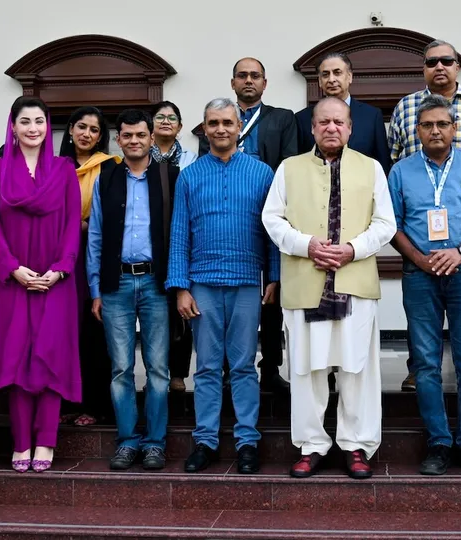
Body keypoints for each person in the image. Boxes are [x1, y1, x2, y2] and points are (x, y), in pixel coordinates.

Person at [263, 97, 396, 479]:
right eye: (324, 122)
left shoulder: (371, 168)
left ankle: (356, 444)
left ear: (350, 127)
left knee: (357, 369)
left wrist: (353, 250)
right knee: (306, 369)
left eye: (339, 122)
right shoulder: (288, 169)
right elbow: (272, 219)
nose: (331, 128)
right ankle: (312, 444)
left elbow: (386, 223)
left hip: (354, 284)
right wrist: (308, 246)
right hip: (306, 283)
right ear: (313, 128)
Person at [388, 95, 461, 476]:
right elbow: (393, 224)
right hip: (419, 275)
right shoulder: (401, 171)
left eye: (442, 124)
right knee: (426, 363)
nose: (435, 130)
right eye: (427, 125)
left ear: (454, 128)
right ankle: (438, 441)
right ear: (416, 131)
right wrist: (419, 259)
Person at [169, 98, 279, 474]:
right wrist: (180, 287)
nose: (220, 129)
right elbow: (179, 234)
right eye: (213, 123)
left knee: (246, 365)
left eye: (227, 122)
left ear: (238, 127)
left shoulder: (263, 173)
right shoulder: (190, 176)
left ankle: (247, 441)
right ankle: (206, 440)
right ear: (204, 127)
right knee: (208, 366)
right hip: (202, 285)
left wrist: (275, 277)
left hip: (248, 282)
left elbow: (272, 231)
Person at [388, 39, 461, 391]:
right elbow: (395, 162)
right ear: (424, 67)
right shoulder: (406, 107)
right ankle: (418, 371)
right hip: (418, 240)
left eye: (447, 61)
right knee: (422, 334)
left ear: (457, 66)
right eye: (432, 61)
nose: (439, 67)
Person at [0, 96, 82, 474]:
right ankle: (21, 442)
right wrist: (12, 268)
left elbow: (73, 224)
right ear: (13, 126)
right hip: (13, 281)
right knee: (17, 360)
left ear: (48, 125)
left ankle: (46, 442)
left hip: (56, 281)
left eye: (39, 121)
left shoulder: (63, 169)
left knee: (51, 359)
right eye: (25, 122)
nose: (33, 128)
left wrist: (60, 268)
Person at [198, 57, 297, 392]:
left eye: (256, 76)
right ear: (233, 82)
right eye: (242, 76)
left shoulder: (281, 119)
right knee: (228, 303)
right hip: (228, 213)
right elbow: (205, 161)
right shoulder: (217, 117)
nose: (249, 81)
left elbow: (289, 164)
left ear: (265, 83)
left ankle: (270, 366)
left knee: (271, 294)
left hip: (270, 210)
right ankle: (227, 367)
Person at [88, 109, 173, 471]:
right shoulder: (105, 178)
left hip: (156, 282)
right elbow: (95, 236)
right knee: (121, 368)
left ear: (152, 138)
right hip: (116, 283)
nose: (135, 140)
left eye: (141, 134)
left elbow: (181, 232)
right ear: (118, 140)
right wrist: (95, 288)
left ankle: (154, 442)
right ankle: (127, 440)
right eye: (128, 135)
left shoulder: (170, 176)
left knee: (157, 368)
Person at [58, 106, 120, 427]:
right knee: (66, 332)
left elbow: (115, 215)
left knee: (95, 331)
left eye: (94, 130)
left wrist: (87, 225)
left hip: (94, 255)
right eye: (81, 127)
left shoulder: (111, 168)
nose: (86, 134)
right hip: (58, 258)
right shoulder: (53, 168)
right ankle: (67, 401)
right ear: (70, 130)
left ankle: (95, 405)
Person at [148, 100, 196, 392]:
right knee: (154, 311)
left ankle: (178, 373)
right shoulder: (141, 158)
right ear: (151, 125)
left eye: (172, 118)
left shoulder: (191, 159)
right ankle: (157, 373)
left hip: (182, 240)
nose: (166, 121)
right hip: (150, 243)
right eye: (160, 117)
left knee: (181, 309)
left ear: (179, 127)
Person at [295, 52, 391, 173]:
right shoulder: (302, 118)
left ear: (349, 76)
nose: (331, 79)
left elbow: (383, 165)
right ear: (319, 81)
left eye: (337, 73)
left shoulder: (372, 116)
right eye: (325, 75)